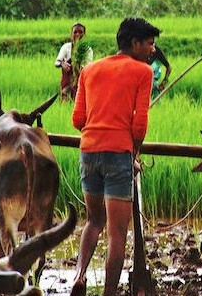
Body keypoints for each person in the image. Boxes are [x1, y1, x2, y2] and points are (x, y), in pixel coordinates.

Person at [70, 17, 159, 296]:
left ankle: (80, 276)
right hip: (118, 154)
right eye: (149, 43)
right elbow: (140, 124)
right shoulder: (143, 72)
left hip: (89, 151)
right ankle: (108, 293)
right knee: (117, 232)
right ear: (134, 44)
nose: (153, 50)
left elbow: (78, 119)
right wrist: (134, 152)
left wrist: (99, 130)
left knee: (93, 222)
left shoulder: (89, 70)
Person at [55, 22, 93, 102]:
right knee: (64, 99)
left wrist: (79, 68)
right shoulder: (66, 47)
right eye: (75, 32)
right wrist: (62, 64)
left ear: (84, 35)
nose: (78, 34)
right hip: (66, 82)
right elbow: (57, 62)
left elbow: (88, 66)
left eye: (80, 32)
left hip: (80, 83)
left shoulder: (87, 50)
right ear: (71, 34)